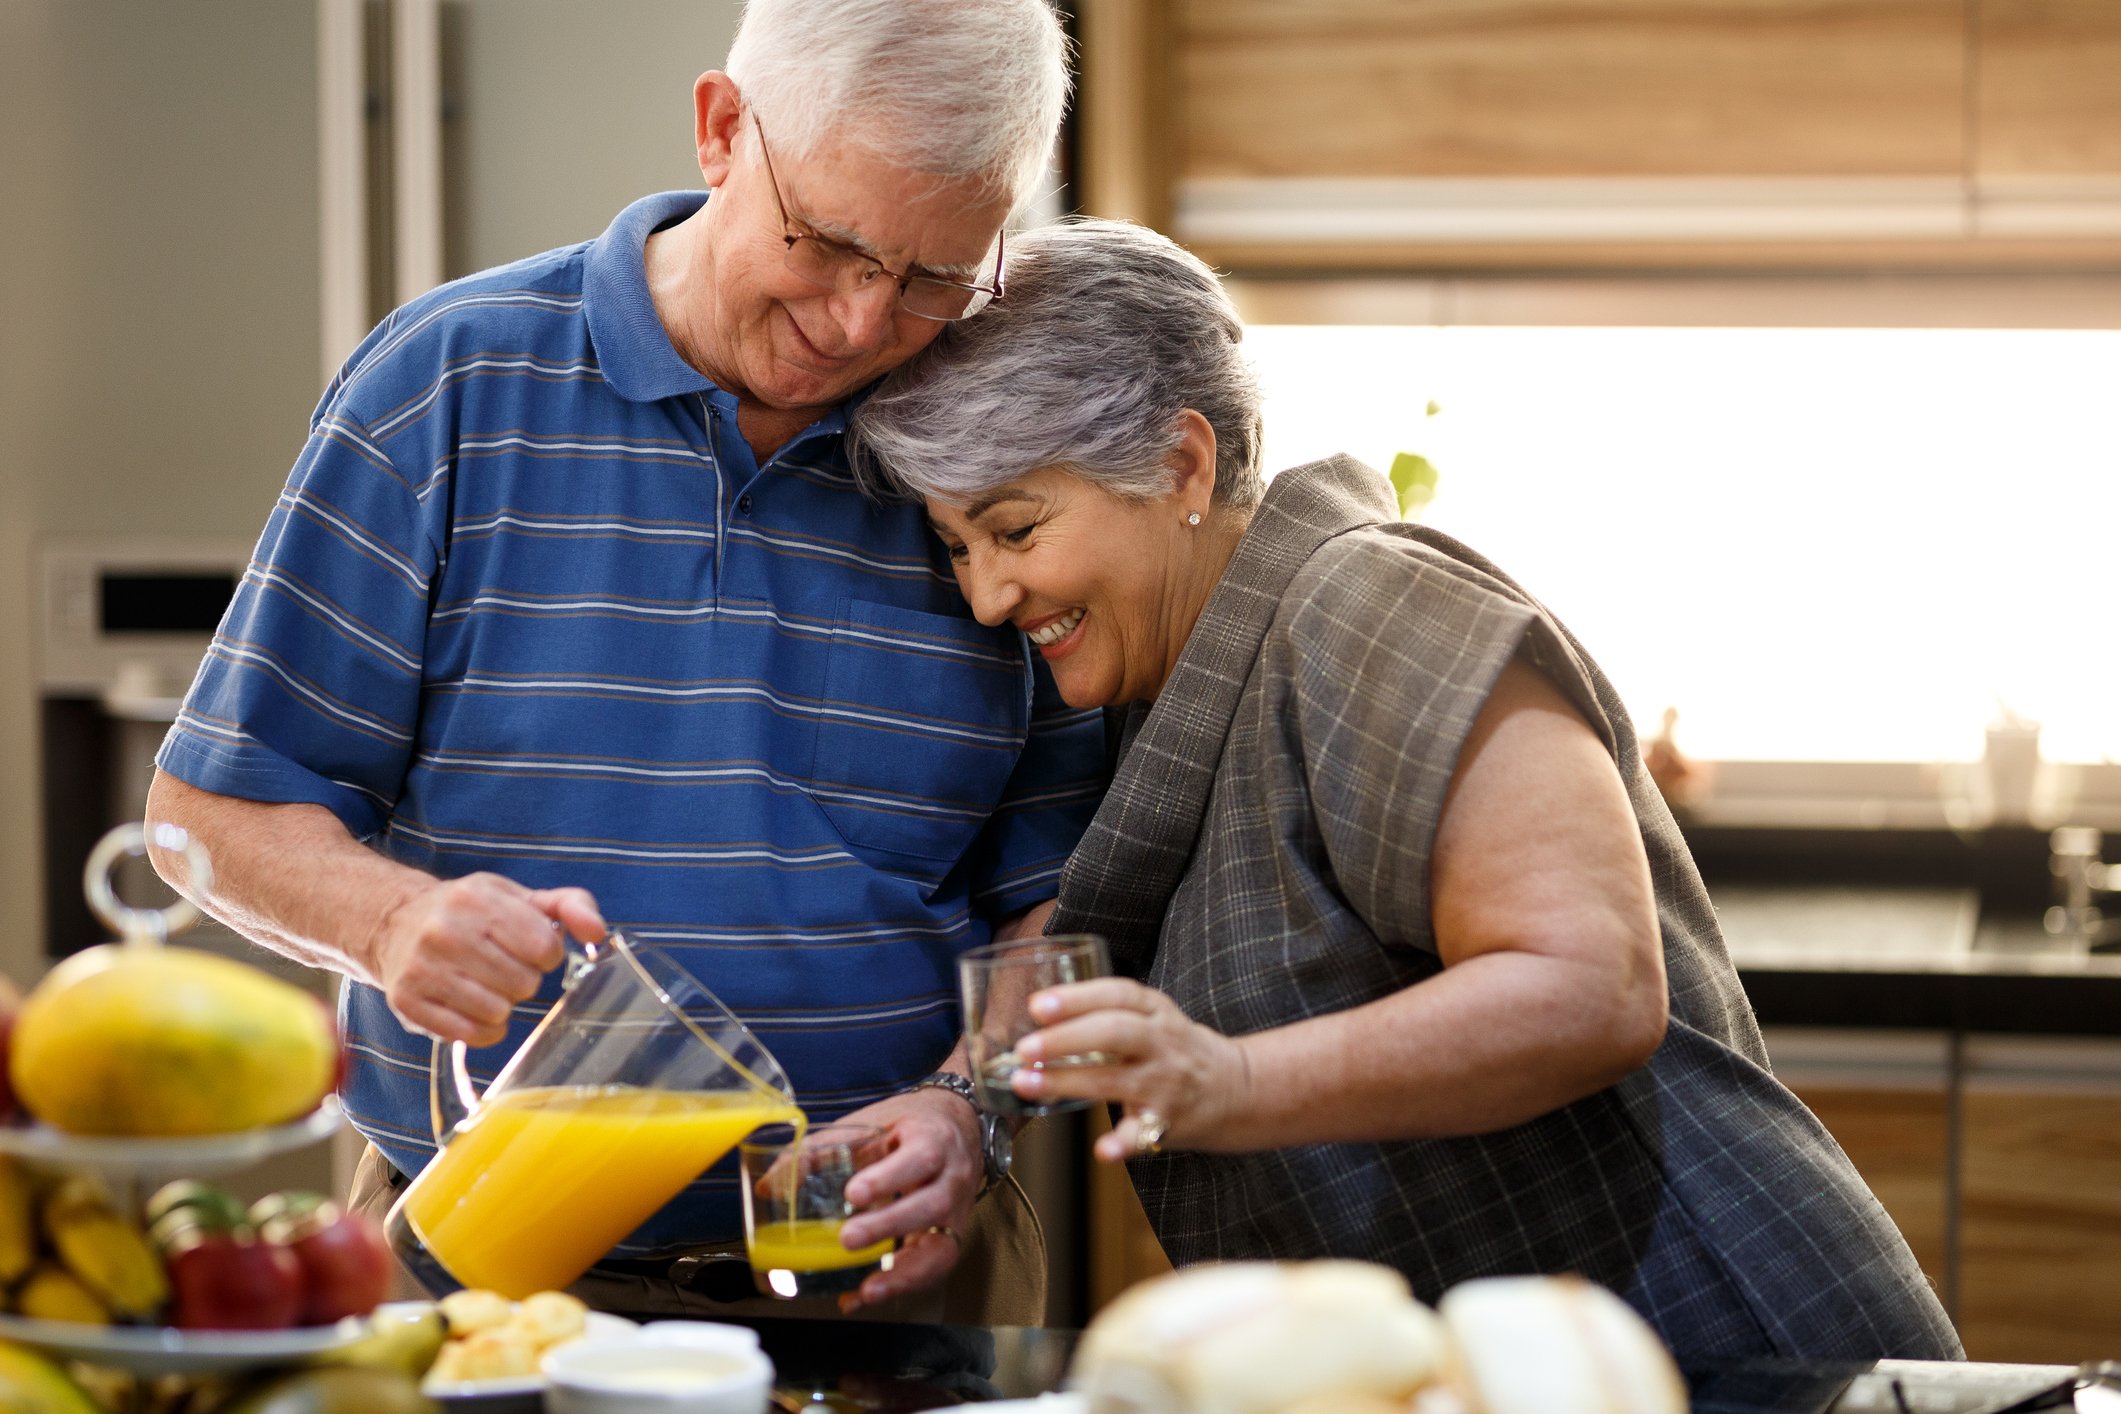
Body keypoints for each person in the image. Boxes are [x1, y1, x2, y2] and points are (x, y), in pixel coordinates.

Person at [846, 219, 1964, 1361]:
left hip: (1724, 1346)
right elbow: (1077, 934)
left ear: (1181, 465)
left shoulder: (1369, 602)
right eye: (956, 547)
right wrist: (961, 1110)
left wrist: (1225, 1079)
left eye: (1015, 528)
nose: (987, 594)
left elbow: (1591, 985)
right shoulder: (1159, 691)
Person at [143, 0, 1103, 1321]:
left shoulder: (1001, 454)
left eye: (936, 278)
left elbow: (1064, 898)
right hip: (479, 1272)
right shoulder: (446, 385)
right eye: (827, 244)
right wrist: (392, 921)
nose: (862, 323)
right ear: (721, 131)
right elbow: (210, 812)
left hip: (892, 1276)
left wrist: (971, 1107)